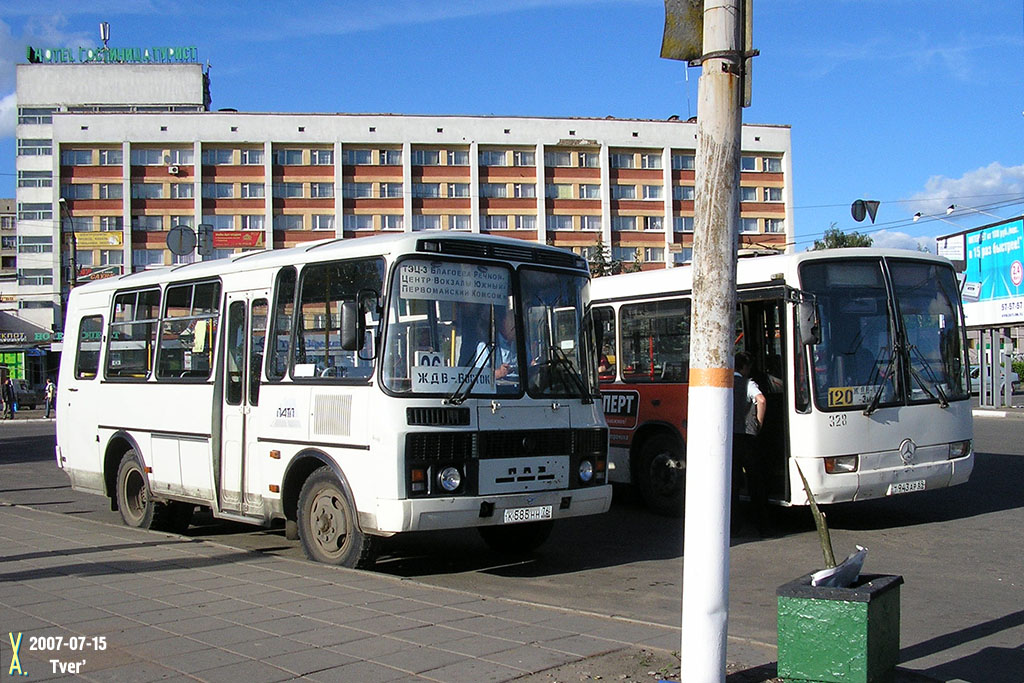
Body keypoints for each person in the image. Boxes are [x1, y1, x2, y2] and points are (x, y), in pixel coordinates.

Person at [732, 351, 767, 536]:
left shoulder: (724, 382)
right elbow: (761, 399)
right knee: (755, 480)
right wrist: (758, 423)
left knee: (733, 483)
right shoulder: (748, 383)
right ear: (744, 367)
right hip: (747, 437)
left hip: (731, 438)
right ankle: (761, 525)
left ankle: (734, 527)